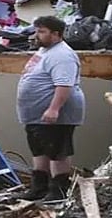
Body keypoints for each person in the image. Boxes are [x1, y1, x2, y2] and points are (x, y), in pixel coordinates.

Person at [16, 15, 85, 202]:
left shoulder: (62, 55)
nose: (36, 35)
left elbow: (64, 84)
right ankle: (39, 188)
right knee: (39, 150)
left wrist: (54, 109)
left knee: (57, 151)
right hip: (36, 115)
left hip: (56, 114)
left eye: (41, 32)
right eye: (36, 31)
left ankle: (58, 191)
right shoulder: (45, 51)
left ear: (56, 34)